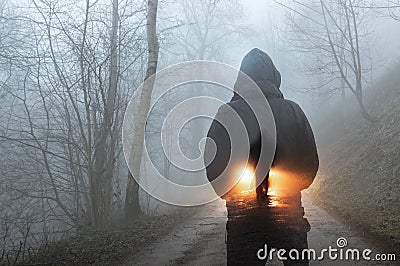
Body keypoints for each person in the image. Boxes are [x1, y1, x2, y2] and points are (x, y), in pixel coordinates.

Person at [204, 48, 319, 265]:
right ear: (274, 77)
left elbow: (213, 166)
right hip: (289, 218)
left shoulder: (226, 114)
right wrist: (290, 187)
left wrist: (231, 194)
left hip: (244, 223)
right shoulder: (294, 111)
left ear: (241, 79)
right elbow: (310, 165)